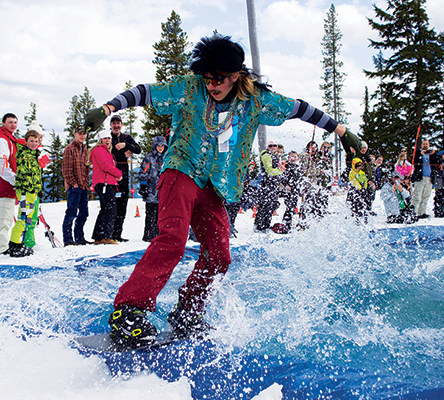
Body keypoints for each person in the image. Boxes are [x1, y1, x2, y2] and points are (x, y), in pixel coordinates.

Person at [83, 34, 361, 346]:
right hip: (182, 170)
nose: (212, 86)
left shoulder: (256, 99)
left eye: (219, 80)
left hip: (215, 184)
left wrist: (341, 130)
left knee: (220, 254)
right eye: (208, 79)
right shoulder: (189, 88)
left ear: (235, 76)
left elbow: (299, 108)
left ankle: (188, 310)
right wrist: (108, 108)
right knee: (173, 239)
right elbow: (146, 92)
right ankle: (129, 311)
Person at [8, 122, 43, 257]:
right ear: (26, 141)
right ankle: (14, 244)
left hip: (33, 191)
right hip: (25, 191)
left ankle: (19, 243)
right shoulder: (24, 154)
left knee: (28, 219)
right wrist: (28, 188)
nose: (34, 144)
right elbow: (25, 173)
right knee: (23, 217)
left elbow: (36, 175)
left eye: (36, 141)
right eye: (31, 141)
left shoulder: (34, 155)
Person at [109, 114, 141, 242]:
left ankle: (117, 234)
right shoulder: (108, 138)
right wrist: (123, 154)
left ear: (121, 125)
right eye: (114, 123)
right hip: (111, 177)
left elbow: (138, 149)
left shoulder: (126, 137)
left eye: (118, 123)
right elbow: (109, 156)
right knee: (111, 207)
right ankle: (108, 234)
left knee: (122, 206)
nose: (116, 126)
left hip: (124, 177)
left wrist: (125, 145)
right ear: (111, 125)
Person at [0, 113, 19, 256]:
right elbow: (1, 162)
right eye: (10, 122)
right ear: (3, 123)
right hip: (5, 184)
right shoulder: (2, 139)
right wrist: (13, 179)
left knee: (6, 216)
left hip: (8, 184)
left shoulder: (9, 138)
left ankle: (0, 246)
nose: (13, 125)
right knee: (3, 217)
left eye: (15, 122)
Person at [90, 130, 123, 245]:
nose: (107, 140)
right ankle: (106, 236)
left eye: (108, 138)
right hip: (104, 183)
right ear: (100, 140)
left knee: (105, 209)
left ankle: (98, 236)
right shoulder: (99, 150)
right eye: (105, 138)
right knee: (110, 209)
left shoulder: (106, 152)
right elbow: (105, 166)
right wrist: (118, 174)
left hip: (106, 182)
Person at [62, 125, 91, 246]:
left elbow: (86, 168)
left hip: (83, 185)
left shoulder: (84, 149)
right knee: (71, 212)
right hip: (74, 187)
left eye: (84, 133)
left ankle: (79, 237)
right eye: (80, 133)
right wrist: (73, 184)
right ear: (75, 134)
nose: (82, 135)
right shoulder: (69, 149)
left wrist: (85, 183)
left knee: (84, 213)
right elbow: (66, 170)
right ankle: (68, 239)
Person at [139, 135, 167, 242]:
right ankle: (149, 234)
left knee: (162, 214)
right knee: (150, 213)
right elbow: (143, 172)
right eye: (158, 145)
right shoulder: (149, 158)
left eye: (162, 145)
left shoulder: (167, 158)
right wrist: (143, 186)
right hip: (151, 191)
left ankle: (160, 233)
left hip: (164, 192)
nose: (160, 147)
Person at [298, 140, 331, 227]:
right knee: (306, 204)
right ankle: (302, 223)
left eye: (315, 148)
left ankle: (314, 223)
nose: (313, 149)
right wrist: (320, 171)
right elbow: (307, 170)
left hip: (314, 185)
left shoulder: (314, 158)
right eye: (312, 147)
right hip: (307, 184)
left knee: (314, 205)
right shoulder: (305, 156)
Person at [254, 140, 282, 232]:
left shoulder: (273, 156)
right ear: (267, 147)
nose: (273, 147)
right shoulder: (266, 155)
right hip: (266, 185)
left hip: (271, 185)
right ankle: (260, 226)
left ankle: (265, 225)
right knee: (264, 206)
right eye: (270, 146)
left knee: (269, 206)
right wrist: (281, 171)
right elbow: (269, 171)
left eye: (275, 145)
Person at [411, 139, 438, 219]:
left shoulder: (431, 154)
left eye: (426, 144)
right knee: (417, 196)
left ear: (429, 145)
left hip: (429, 178)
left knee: (426, 196)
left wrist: (434, 154)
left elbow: (437, 162)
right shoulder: (418, 153)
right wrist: (420, 154)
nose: (425, 145)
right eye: (424, 144)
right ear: (422, 145)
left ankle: (422, 212)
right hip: (420, 177)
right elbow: (414, 161)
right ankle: (414, 212)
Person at [347, 158, 370, 223]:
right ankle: (354, 218)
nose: (359, 167)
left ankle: (364, 218)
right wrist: (359, 187)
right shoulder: (352, 173)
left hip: (362, 190)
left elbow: (365, 180)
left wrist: (364, 188)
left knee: (363, 204)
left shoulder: (362, 173)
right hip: (355, 190)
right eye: (357, 166)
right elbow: (352, 180)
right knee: (354, 205)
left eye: (360, 165)